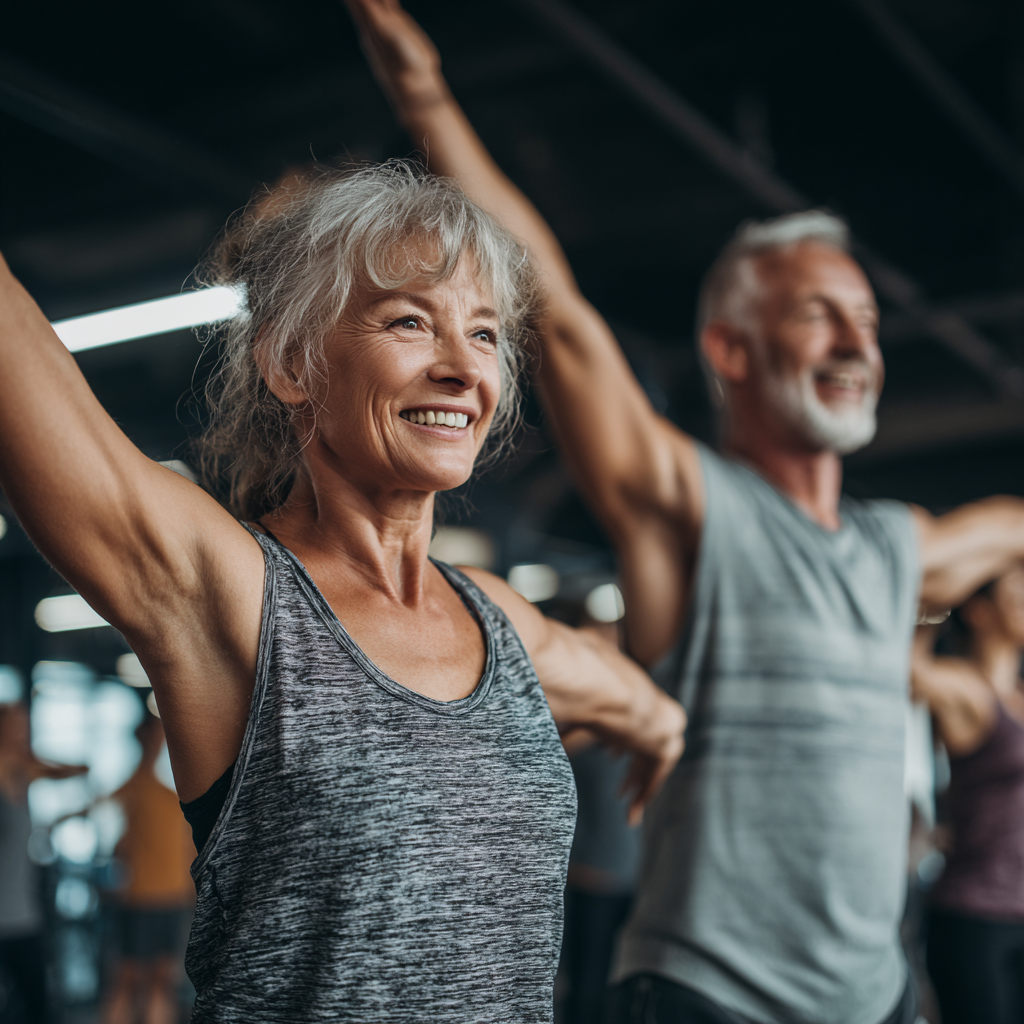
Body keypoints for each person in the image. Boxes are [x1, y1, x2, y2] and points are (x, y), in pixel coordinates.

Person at [346, 3, 1024, 1021]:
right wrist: (425, 93)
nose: (855, 342)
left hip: (876, 997)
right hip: (708, 995)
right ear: (730, 349)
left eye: (866, 321)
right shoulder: (690, 508)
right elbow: (561, 319)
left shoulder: (897, 551)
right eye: (817, 314)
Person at [0, 162, 685, 1023]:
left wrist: (660, 727)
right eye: (409, 322)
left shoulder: (494, 618)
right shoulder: (239, 598)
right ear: (293, 364)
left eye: (482, 334)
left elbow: (630, 696)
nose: (460, 368)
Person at [912, 566, 1024, 1024]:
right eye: (1015, 593)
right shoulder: (963, 689)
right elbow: (904, 666)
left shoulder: (1019, 695)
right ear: (979, 610)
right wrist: (938, 591)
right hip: (976, 912)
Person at [102, 712, 195, 1024]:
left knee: (160, 982)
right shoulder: (136, 787)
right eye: (156, 734)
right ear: (145, 738)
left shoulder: (172, 794)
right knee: (128, 980)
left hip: (172, 896)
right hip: (142, 897)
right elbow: (116, 842)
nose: (161, 741)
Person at [0, 701, 86, 1023]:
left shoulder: (25, 772)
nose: (24, 733)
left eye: (26, 726)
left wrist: (32, 756)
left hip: (23, 916)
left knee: (39, 1009)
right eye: (16, 726)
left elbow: (79, 769)